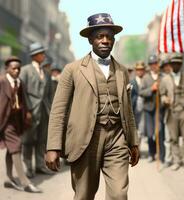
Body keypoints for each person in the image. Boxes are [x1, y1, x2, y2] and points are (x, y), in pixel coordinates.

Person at [45, 13, 139, 200]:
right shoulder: (72, 69)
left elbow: (128, 110)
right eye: (99, 36)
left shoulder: (122, 71)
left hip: (117, 139)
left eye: (109, 37)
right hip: (85, 139)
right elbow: (58, 110)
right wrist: (53, 147)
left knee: (119, 194)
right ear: (90, 40)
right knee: (84, 195)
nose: (105, 41)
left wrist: (133, 141)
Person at [0, 56, 41, 193]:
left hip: (16, 120)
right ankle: (25, 183)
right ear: (7, 69)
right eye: (13, 68)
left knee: (11, 149)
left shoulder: (20, 82)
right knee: (16, 145)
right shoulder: (1, 81)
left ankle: (9, 178)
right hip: (4, 121)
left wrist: (27, 112)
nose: (17, 71)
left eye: (18, 68)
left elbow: (23, 99)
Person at [20, 42, 53, 178]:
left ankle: (40, 165)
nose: (43, 55)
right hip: (30, 110)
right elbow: (21, 92)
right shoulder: (25, 70)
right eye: (41, 53)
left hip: (44, 110)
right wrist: (26, 110)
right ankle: (28, 167)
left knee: (42, 139)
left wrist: (50, 109)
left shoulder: (46, 72)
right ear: (34, 56)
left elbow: (49, 93)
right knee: (28, 140)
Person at [160, 53, 184, 171]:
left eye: (178, 63)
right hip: (172, 110)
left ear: (181, 64)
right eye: (173, 63)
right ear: (170, 65)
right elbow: (162, 95)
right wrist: (164, 99)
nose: (176, 66)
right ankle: (176, 161)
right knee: (173, 138)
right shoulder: (165, 79)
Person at [139, 54, 165, 164]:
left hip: (159, 109)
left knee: (159, 132)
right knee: (150, 134)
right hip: (148, 109)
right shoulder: (145, 77)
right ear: (149, 66)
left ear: (158, 64)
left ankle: (161, 155)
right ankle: (151, 153)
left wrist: (161, 90)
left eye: (155, 63)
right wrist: (152, 89)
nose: (153, 66)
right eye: (151, 64)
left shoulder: (162, 76)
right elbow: (141, 92)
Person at [131, 61, 146, 150]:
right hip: (134, 108)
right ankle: (133, 149)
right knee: (133, 130)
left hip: (144, 108)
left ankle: (138, 148)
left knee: (141, 130)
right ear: (136, 71)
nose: (140, 71)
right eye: (138, 70)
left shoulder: (146, 80)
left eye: (141, 70)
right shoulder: (132, 81)